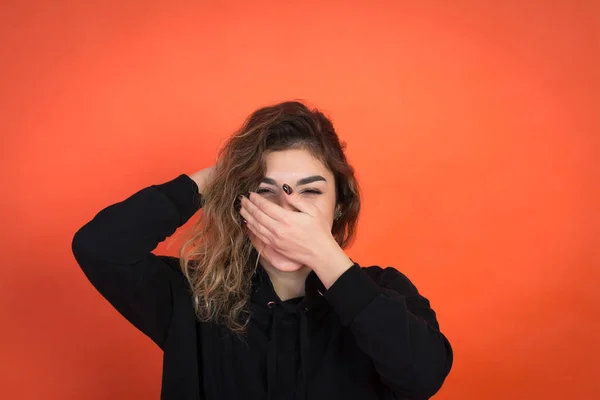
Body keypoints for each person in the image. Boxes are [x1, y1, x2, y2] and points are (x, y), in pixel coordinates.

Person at [71, 100, 453, 400]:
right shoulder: (194, 297)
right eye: (266, 192)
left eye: (311, 191)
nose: (287, 211)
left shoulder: (384, 293)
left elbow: (422, 376)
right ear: (242, 206)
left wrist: (323, 254)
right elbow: (100, 247)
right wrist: (224, 174)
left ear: (339, 205)